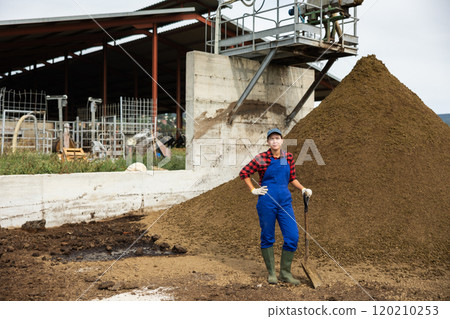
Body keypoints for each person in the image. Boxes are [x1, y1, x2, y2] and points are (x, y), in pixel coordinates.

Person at [239, 128, 312, 285]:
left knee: (293, 236)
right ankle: (272, 273)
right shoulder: (262, 158)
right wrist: (253, 189)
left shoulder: (288, 157)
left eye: (277, 138)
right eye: (271, 139)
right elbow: (244, 173)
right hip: (267, 201)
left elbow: (292, 178)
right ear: (268, 142)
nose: (274, 141)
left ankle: (285, 273)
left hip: (285, 201)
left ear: (282, 141)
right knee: (267, 236)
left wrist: (303, 189)